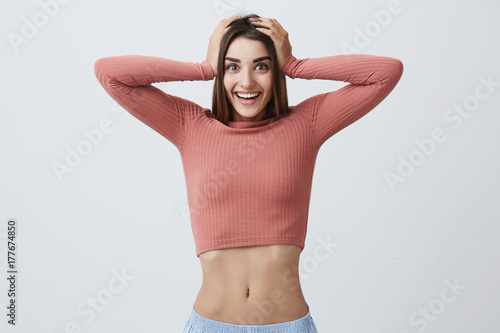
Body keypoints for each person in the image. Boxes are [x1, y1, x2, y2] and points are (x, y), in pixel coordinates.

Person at [94, 14, 403, 333]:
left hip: (287, 325)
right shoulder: (190, 126)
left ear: (276, 71)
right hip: (211, 325)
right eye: (232, 66)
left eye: (261, 66)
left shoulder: (305, 125)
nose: (246, 82)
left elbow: (385, 73)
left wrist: (296, 65)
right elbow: (109, 73)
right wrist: (201, 68)